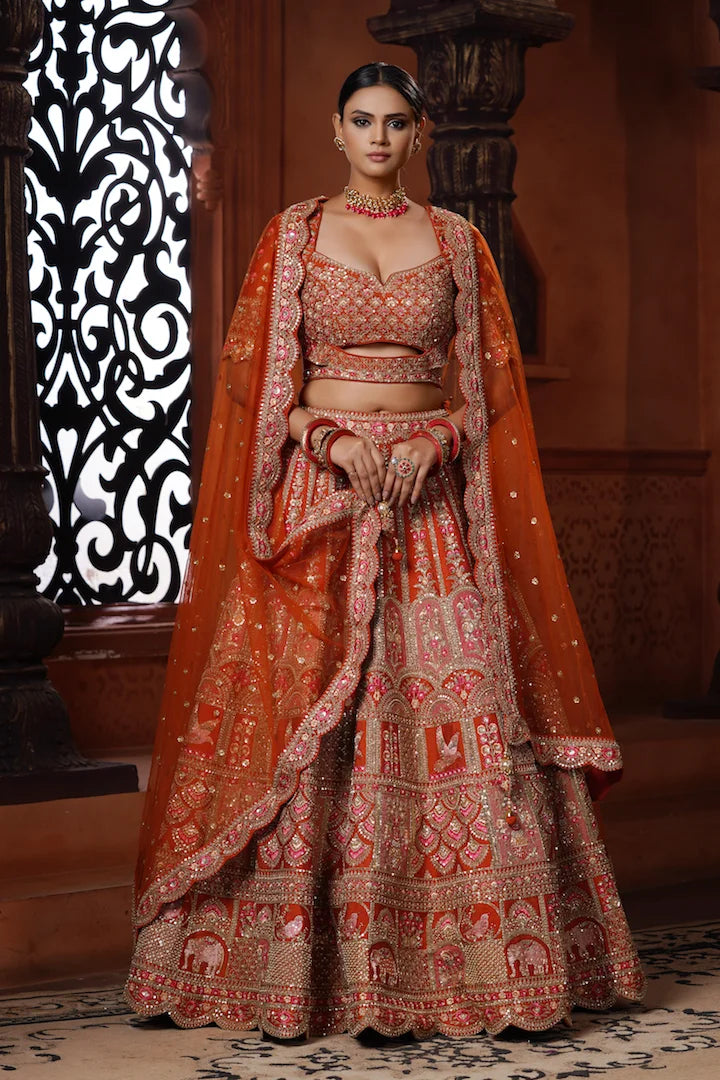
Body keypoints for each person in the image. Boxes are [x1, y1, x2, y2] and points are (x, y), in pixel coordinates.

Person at [125, 62, 645, 1038]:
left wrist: (437, 442)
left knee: (458, 707)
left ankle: (491, 977)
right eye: (361, 121)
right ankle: (273, 974)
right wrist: (335, 443)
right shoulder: (295, 236)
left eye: (395, 122)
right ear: (337, 130)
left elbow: (490, 388)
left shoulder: (458, 242)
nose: (377, 137)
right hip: (324, 498)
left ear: (421, 133)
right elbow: (257, 378)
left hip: (431, 507)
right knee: (301, 715)